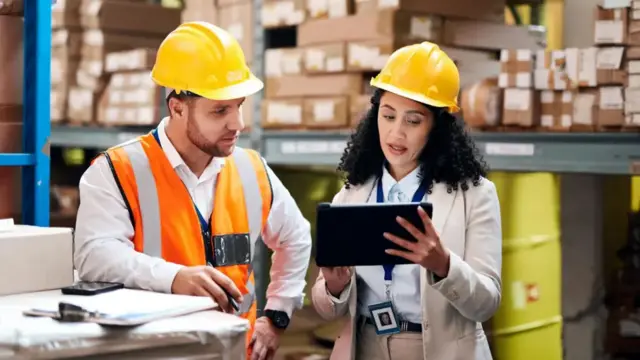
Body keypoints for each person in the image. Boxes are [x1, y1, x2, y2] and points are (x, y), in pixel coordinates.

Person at [74, 22, 312, 360]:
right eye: (220, 110)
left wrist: (276, 316)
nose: (238, 124)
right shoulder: (117, 170)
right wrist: (174, 278)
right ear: (177, 107)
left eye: (239, 105)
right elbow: (94, 255)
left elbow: (297, 237)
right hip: (158, 352)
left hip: (233, 351)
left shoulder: (251, 169)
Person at [311, 42, 502, 360]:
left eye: (413, 121)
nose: (395, 133)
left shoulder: (476, 195)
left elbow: (487, 302)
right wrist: (333, 287)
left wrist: (444, 266)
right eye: (387, 116)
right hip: (365, 346)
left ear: (437, 127)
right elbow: (326, 309)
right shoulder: (352, 194)